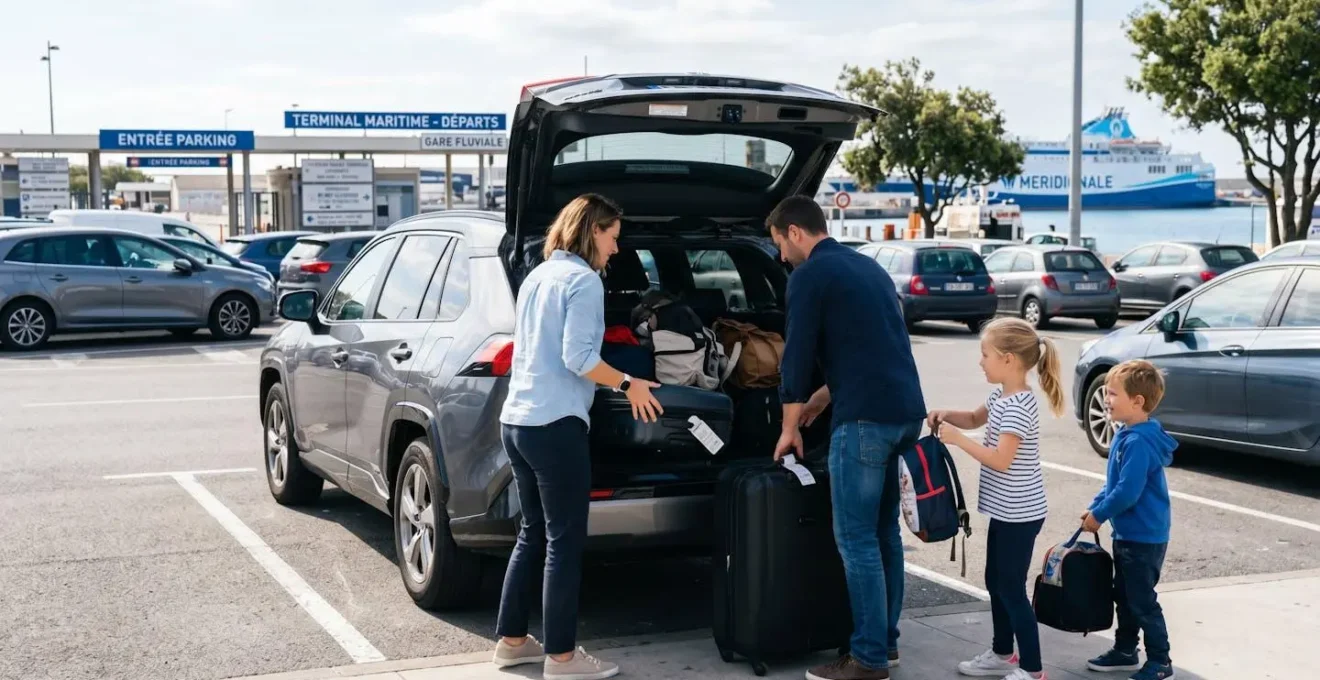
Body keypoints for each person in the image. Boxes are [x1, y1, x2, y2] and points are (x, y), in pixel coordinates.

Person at [491, 193, 662, 680]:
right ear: (592, 231)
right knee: (565, 541)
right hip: (555, 425)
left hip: (518, 422)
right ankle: (563, 659)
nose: (616, 249)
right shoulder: (584, 281)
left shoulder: (537, 276)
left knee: (532, 534)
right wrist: (630, 384)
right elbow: (580, 359)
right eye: (613, 237)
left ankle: (512, 642)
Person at [768, 195, 927, 680]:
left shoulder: (809, 275)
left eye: (778, 243)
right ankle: (887, 644)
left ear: (795, 232)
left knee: (855, 539)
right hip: (905, 413)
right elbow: (872, 347)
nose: (779, 256)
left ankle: (866, 658)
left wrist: (789, 426)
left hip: (863, 423)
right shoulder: (870, 267)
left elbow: (796, 356)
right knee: (884, 535)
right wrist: (821, 399)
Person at [930, 317, 1064, 680]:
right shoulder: (1001, 395)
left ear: (1008, 359)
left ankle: (1033, 670)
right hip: (1007, 511)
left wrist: (959, 440)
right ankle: (1003, 652)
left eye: (985, 354)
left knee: (1010, 587)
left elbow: (1002, 460)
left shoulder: (1019, 405)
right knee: (995, 580)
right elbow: (975, 417)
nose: (980, 361)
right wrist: (946, 414)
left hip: (1021, 513)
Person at [1081, 360, 1177, 680]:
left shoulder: (1138, 442)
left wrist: (1099, 515)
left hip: (1143, 537)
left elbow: (1127, 492)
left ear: (1137, 401)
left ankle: (1161, 660)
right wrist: (1095, 507)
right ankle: (1124, 650)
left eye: (1112, 393)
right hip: (1128, 533)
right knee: (1124, 595)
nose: (1106, 399)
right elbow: (1113, 484)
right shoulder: (1127, 433)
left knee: (1141, 600)